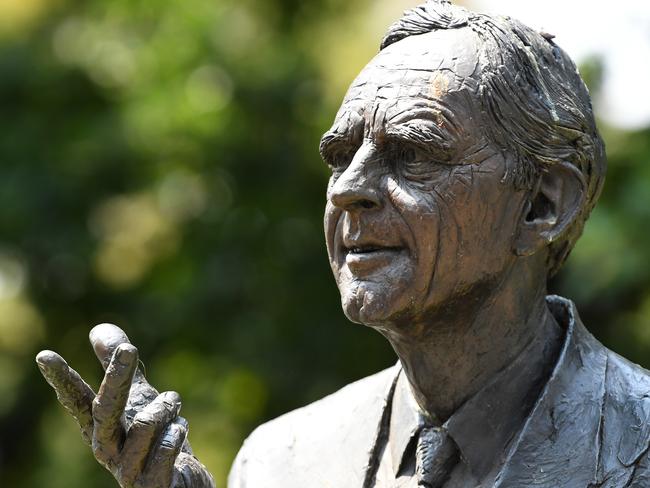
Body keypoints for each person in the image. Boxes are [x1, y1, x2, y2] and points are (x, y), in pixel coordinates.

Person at [36, 1, 650, 487]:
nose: (347, 190)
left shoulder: (635, 440)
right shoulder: (278, 464)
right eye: (339, 158)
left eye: (413, 152)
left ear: (542, 203)